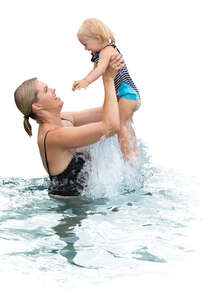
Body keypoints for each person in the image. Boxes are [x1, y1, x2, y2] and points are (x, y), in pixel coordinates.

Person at [14, 54, 123, 199]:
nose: (53, 89)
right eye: (46, 90)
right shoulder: (54, 137)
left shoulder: (66, 119)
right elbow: (111, 126)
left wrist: (107, 70)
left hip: (83, 203)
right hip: (70, 209)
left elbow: (114, 111)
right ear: (37, 106)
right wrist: (107, 80)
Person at [72, 18, 141, 163]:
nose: (85, 48)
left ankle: (128, 161)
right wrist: (85, 79)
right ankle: (135, 156)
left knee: (119, 125)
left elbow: (100, 70)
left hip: (128, 94)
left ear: (97, 38)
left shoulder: (107, 50)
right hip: (125, 95)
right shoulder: (99, 53)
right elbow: (95, 70)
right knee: (126, 124)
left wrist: (86, 81)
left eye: (85, 44)